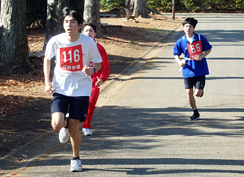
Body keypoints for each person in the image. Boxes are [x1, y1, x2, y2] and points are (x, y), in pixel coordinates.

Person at [43, 7, 102, 172]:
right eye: (66, 22)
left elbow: (98, 63)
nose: (69, 25)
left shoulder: (88, 42)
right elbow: (47, 60)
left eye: (73, 22)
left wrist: (92, 70)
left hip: (81, 88)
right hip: (60, 87)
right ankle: (63, 125)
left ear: (79, 24)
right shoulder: (56, 41)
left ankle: (75, 159)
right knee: (56, 124)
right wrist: (47, 82)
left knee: (74, 128)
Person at [173, 17, 212, 121]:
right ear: (183, 28)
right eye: (186, 26)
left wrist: (202, 56)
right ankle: (195, 112)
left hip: (200, 69)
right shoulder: (181, 41)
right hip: (187, 69)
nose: (188, 28)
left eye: (190, 26)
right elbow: (176, 54)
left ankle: (200, 90)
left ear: (194, 28)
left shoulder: (200, 38)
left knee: (197, 93)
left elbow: (209, 49)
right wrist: (180, 62)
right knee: (189, 92)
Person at [81, 23, 110, 136]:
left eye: (91, 31)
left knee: (91, 104)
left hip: (93, 82)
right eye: (86, 30)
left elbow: (105, 66)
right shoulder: (77, 46)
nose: (88, 33)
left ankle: (86, 126)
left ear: (95, 34)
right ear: (82, 33)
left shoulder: (100, 48)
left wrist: (102, 79)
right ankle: (68, 124)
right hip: (78, 81)